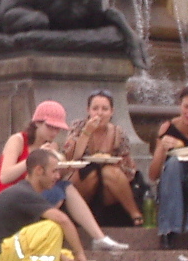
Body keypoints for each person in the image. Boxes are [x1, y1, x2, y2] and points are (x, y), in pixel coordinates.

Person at [0, 100, 128, 251]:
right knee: (58, 192)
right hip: (8, 197)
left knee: (65, 187)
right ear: (37, 123)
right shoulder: (18, 140)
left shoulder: (52, 146)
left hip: (32, 195)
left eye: (58, 129)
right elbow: (5, 176)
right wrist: (35, 157)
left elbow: (50, 179)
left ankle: (99, 237)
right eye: (50, 127)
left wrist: (65, 169)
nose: (54, 133)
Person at [0, 149, 88, 261]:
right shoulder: (23, 193)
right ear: (39, 170)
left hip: (12, 249)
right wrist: (79, 254)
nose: (58, 176)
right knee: (52, 228)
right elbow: (62, 220)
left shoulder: (28, 193)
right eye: (54, 171)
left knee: (65, 254)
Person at [63, 89, 143, 226]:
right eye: (95, 108)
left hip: (109, 185)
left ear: (112, 112)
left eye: (105, 109)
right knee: (92, 173)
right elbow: (71, 157)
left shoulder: (118, 133)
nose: (99, 113)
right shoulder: (78, 126)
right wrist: (87, 132)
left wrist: (121, 165)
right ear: (88, 110)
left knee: (110, 172)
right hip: (82, 179)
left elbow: (128, 166)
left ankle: (135, 214)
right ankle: (79, 216)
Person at [148, 85, 188, 249]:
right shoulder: (168, 128)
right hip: (173, 182)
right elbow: (153, 175)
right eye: (186, 107)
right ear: (180, 106)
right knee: (173, 164)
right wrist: (161, 148)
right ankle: (169, 230)